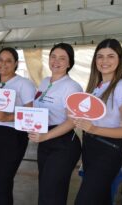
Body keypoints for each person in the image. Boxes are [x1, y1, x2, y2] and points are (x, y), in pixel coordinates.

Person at [74, 39, 122, 204]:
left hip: (109, 150)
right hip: (91, 146)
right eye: (100, 56)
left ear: (119, 59)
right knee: (100, 198)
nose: (104, 61)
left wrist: (93, 129)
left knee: (85, 200)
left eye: (110, 56)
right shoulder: (98, 85)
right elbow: (97, 118)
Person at [0, 47, 36, 205]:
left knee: (2, 183)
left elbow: (31, 115)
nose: (3, 64)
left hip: (11, 137)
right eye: (0, 60)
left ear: (16, 63)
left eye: (8, 61)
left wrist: (8, 117)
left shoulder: (24, 84)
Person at [28, 43, 82, 205]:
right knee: (47, 189)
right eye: (53, 57)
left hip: (64, 144)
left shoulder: (72, 87)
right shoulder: (45, 82)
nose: (56, 61)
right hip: (45, 141)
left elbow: (72, 122)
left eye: (62, 58)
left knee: (51, 191)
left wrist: (45, 136)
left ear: (69, 63)